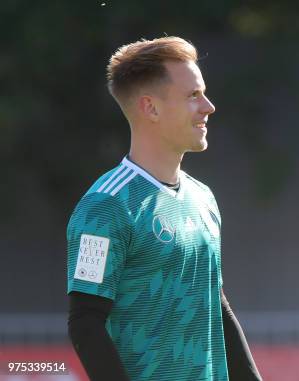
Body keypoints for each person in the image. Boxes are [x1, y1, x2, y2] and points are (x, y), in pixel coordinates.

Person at [66, 36, 261, 381]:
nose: (209, 106)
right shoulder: (106, 206)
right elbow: (85, 322)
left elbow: (216, 304)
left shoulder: (203, 198)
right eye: (193, 96)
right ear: (151, 108)